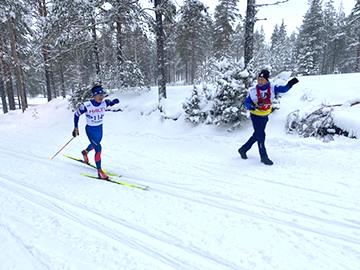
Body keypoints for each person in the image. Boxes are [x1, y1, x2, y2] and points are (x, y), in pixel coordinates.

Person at [238, 70, 299, 165]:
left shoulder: (272, 88)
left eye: (262, 80)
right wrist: (251, 106)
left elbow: (283, 89)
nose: (260, 82)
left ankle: (243, 149)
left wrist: (290, 84)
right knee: (261, 135)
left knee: (257, 135)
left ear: (267, 80)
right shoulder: (252, 90)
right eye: (259, 79)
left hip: (265, 115)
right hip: (255, 115)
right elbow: (247, 102)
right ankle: (263, 156)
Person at [72, 85, 119, 179]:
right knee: (98, 148)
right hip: (90, 130)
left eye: (102, 95)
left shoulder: (104, 103)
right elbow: (76, 115)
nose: (101, 97)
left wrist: (114, 101)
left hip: (99, 128)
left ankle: (85, 152)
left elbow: (110, 103)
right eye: (99, 95)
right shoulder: (87, 105)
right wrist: (75, 128)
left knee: (96, 144)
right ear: (94, 95)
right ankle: (100, 171)